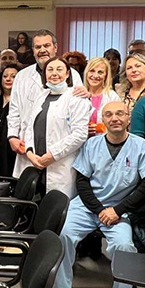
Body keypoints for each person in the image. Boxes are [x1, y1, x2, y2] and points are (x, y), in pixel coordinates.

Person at [44, 101, 145, 288]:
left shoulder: (140, 146)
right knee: (64, 235)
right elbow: (82, 182)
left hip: (120, 209)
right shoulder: (92, 144)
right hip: (88, 206)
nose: (115, 118)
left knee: (124, 246)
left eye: (120, 113)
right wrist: (98, 210)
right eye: (108, 114)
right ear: (102, 120)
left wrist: (118, 210)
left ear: (128, 118)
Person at [8, 29, 83, 180]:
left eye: (47, 45)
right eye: (38, 47)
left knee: (56, 193)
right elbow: (14, 110)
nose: (42, 50)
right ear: (33, 51)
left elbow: (79, 112)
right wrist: (12, 136)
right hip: (27, 147)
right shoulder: (22, 76)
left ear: (55, 48)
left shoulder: (72, 75)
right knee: (28, 190)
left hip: (60, 149)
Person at [24, 57, 91, 197]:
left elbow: (80, 134)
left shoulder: (76, 98)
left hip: (61, 165)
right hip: (36, 162)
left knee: (57, 205)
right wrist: (29, 152)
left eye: (59, 69)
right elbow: (30, 126)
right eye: (50, 69)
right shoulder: (41, 96)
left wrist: (52, 155)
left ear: (67, 74)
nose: (54, 73)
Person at [83, 57, 121, 137]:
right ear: (86, 73)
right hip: (80, 142)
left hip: (104, 141)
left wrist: (101, 128)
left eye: (100, 72)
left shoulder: (112, 97)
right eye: (92, 71)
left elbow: (119, 123)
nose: (95, 75)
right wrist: (82, 128)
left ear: (106, 76)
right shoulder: (79, 95)